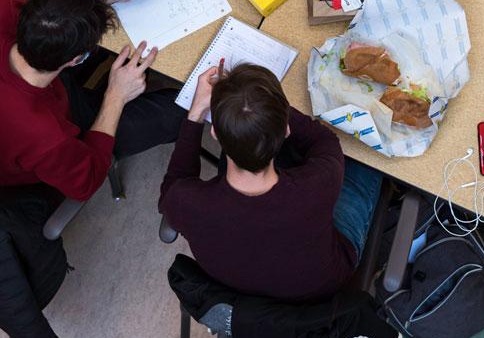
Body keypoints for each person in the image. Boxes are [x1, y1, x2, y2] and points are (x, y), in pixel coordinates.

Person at [0, 0, 184, 201]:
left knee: (120, 53)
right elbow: (87, 182)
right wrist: (115, 96)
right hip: (24, 150)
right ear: (75, 60)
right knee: (177, 114)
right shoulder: (44, 136)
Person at [158, 63, 383, 302]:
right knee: (366, 159)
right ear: (286, 130)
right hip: (323, 289)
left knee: (248, 139)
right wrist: (268, 109)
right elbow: (325, 141)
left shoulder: (186, 203)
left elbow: (176, 180)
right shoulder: (317, 183)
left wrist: (196, 112)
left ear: (214, 134)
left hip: (242, 296)